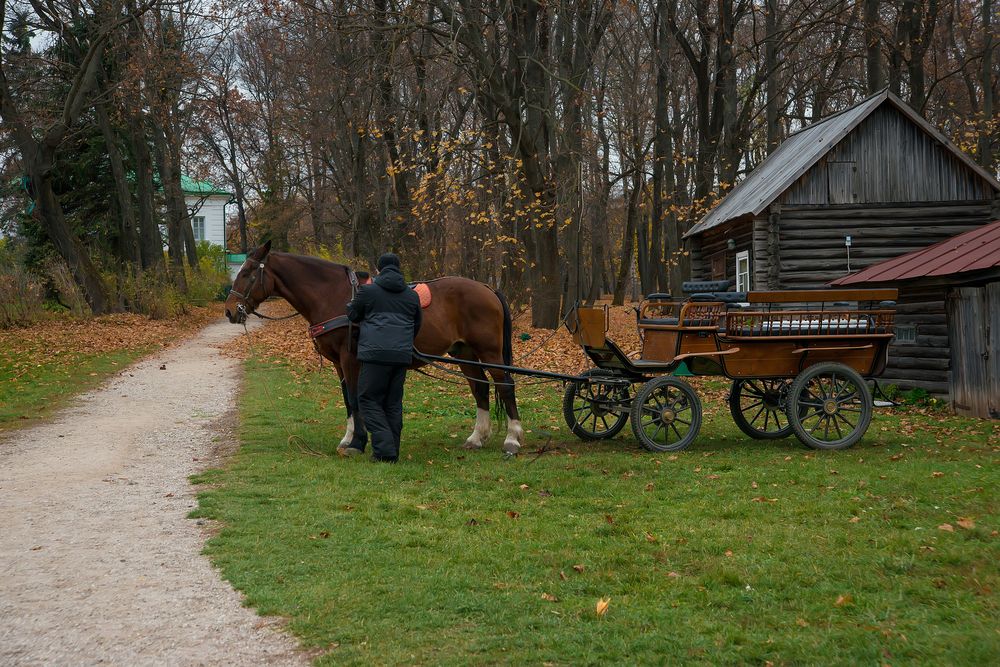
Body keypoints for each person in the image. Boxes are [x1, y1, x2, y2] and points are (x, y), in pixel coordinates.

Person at [345, 253, 421, 462]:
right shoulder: (412, 295)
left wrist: (351, 306)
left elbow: (353, 315)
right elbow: (417, 324)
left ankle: (385, 450)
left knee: (368, 399)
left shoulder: (368, 291)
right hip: (401, 356)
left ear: (378, 270)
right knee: (393, 403)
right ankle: (392, 451)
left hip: (375, 354)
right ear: (398, 269)